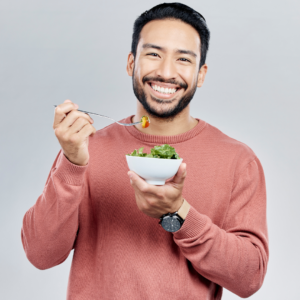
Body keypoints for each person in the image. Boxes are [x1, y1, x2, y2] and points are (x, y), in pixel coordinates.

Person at [21, 3, 269, 299]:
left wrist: (178, 214)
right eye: (153, 54)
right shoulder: (86, 148)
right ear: (131, 63)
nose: (166, 72)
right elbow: (40, 253)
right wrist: (72, 163)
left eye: (183, 59)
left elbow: (249, 278)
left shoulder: (238, 161)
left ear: (201, 74)